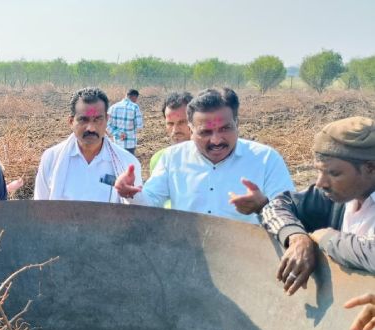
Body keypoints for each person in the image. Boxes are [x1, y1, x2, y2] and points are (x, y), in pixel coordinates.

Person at [114, 87, 294, 224]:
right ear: (191, 130)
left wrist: (263, 206)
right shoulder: (172, 158)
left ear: (237, 123)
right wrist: (131, 194)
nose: (216, 140)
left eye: (225, 129)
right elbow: (151, 203)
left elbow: (290, 213)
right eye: (205, 132)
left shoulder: (265, 159)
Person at [261, 116, 375, 296]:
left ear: (370, 168)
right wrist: (297, 237)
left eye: (334, 173)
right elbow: (274, 207)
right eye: (319, 171)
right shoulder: (336, 195)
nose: (321, 183)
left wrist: (326, 238)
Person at [34, 87, 142, 203]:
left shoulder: (126, 162)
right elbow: (40, 208)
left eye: (97, 119)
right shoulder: (51, 158)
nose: (91, 128)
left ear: (107, 119)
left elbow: (139, 211)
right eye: (83, 120)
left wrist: (132, 196)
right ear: (71, 122)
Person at [149, 92, 193, 173]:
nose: (175, 130)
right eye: (170, 123)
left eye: (182, 122)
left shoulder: (210, 159)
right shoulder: (159, 160)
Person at [107, 89, 144, 155]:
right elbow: (139, 125)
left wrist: (118, 133)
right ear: (135, 97)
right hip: (130, 144)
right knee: (129, 163)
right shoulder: (135, 107)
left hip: (117, 144)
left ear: (126, 95)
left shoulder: (113, 107)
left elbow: (107, 125)